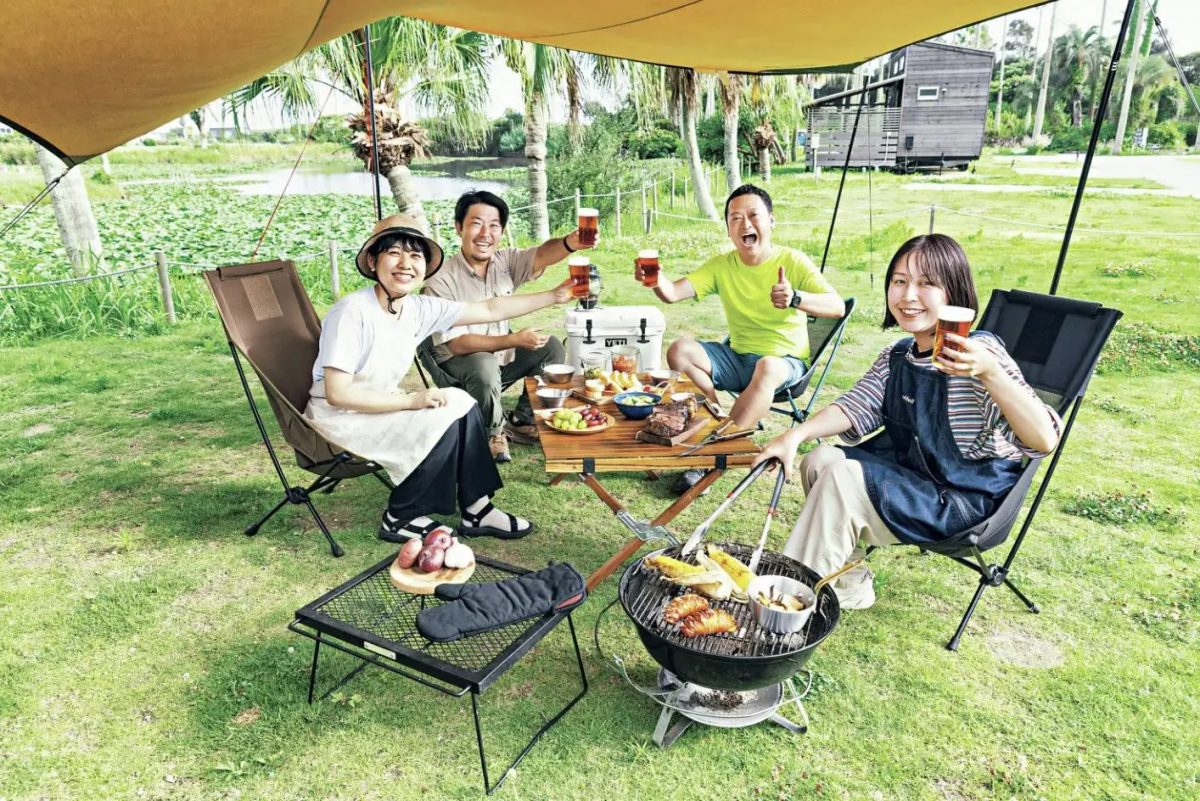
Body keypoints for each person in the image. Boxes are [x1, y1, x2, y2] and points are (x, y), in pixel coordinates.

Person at [752, 234, 1062, 609]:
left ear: (954, 293)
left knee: (842, 477)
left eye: (926, 283)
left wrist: (990, 373)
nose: (908, 295)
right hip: (913, 480)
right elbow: (855, 406)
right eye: (899, 281)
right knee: (821, 460)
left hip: (961, 501)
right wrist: (794, 436)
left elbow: (1043, 440)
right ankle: (848, 582)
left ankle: (785, 610)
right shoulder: (898, 355)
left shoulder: (981, 354)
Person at [303, 213, 573, 542]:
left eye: (415, 255)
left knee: (460, 401)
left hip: (380, 407)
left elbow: (489, 309)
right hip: (341, 419)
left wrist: (554, 295)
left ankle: (478, 509)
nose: (406, 264)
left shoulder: (417, 307)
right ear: (373, 261)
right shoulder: (351, 311)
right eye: (394, 253)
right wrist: (411, 401)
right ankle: (400, 516)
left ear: (425, 266)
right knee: (441, 419)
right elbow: (338, 394)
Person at [637, 183, 844, 493]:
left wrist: (796, 298)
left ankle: (713, 455)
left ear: (771, 220)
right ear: (728, 230)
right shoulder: (722, 265)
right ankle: (715, 421)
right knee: (680, 350)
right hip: (738, 359)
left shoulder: (793, 261)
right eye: (735, 218)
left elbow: (837, 306)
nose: (745, 224)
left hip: (784, 365)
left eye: (753, 215)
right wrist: (654, 279)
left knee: (767, 366)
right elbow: (673, 293)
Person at [422, 190, 597, 463]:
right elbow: (457, 344)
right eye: (476, 223)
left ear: (501, 231)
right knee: (484, 364)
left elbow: (541, 255)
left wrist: (570, 243)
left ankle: (521, 420)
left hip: (497, 358)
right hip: (456, 364)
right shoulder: (441, 280)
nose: (485, 234)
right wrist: (513, 340)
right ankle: (493, 434)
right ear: (459, 228)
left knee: (551, 347)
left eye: (494, 225)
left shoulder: (503, 262)